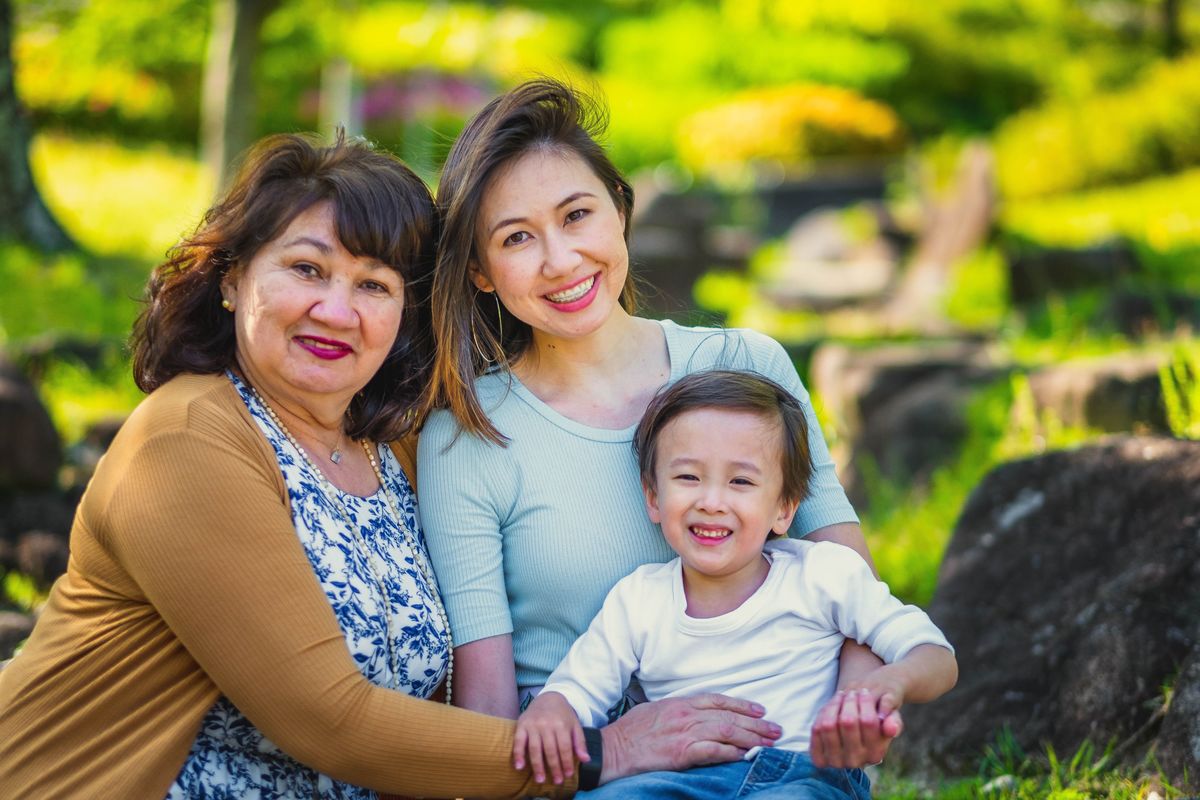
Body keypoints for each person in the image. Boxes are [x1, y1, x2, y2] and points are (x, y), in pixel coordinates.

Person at [0, 133, 665, 799]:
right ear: (233, 277)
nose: (337, 311)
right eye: (308, 270)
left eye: (373, 284)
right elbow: (329, 719)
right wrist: (600, 755)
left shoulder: (391, 441)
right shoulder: (189, 442)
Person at [418, 78, 902, 778]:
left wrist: (852, 713)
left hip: (778, 759)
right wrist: (603, 757)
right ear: (481, 273)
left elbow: (850, 581)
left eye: (576, 215)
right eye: (517, 237)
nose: (560, 260)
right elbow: (488, 710)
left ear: (619, 210)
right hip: (582, 777)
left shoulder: (745, 364)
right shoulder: (468, 436)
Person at [512, 371, 958, 797]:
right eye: (688, 477)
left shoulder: (822, 574)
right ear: (653, 496)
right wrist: (555, 708)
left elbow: (936, 657)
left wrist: (889, 683)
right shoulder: (638, 599)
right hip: (673, 779)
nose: (711, 502)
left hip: (801, 774)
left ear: (784, 509)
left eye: (740, 481)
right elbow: (577, 690)